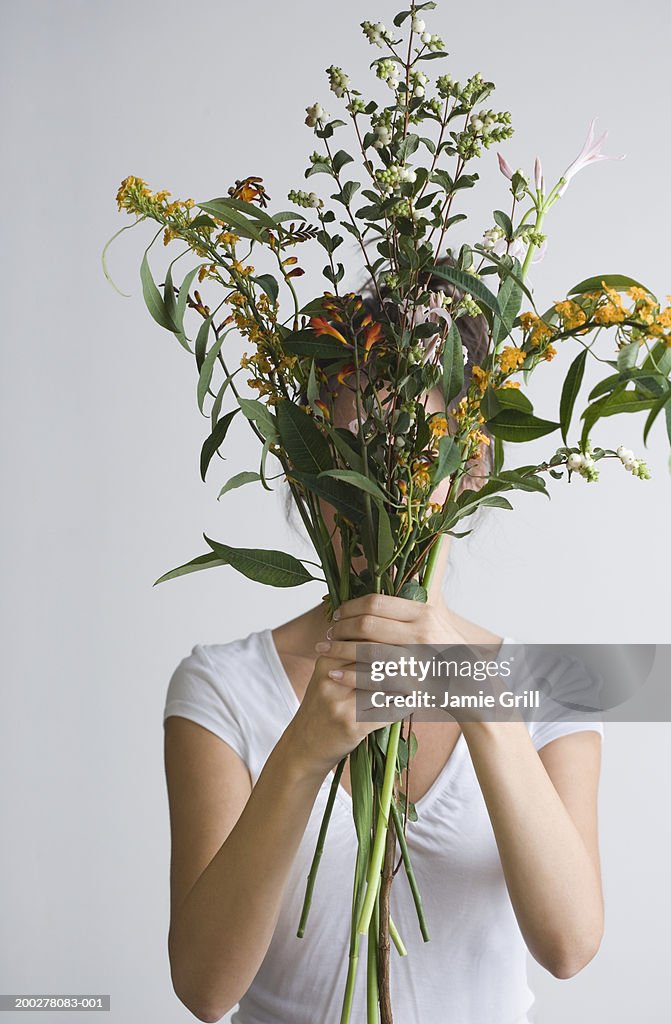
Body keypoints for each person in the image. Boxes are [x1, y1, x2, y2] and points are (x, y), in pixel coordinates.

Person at [162, 275, 605, 1024]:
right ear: (303, 467)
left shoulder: (550, 682)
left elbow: (569, 945)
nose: (379, 498)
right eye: (348, 458)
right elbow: (206, 990)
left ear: (468, 467)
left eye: (413, 460)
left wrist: (480, 702)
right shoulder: (223, 689)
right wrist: (303, 750)